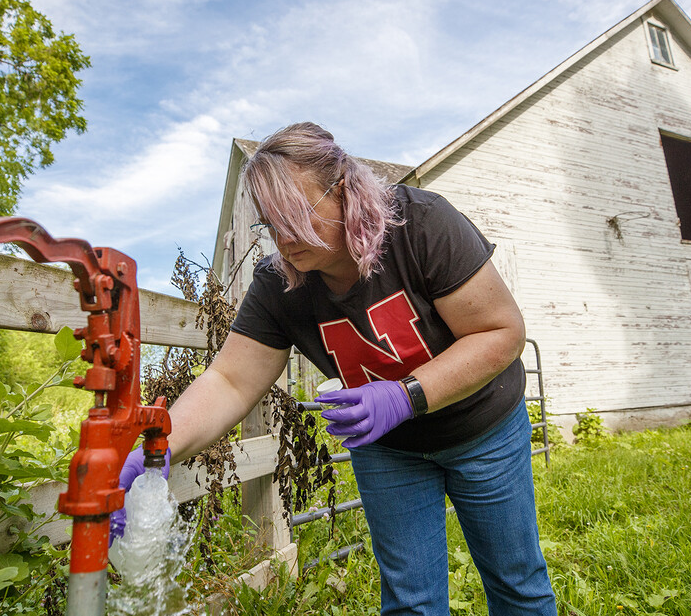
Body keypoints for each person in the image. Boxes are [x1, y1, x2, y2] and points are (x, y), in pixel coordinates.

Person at [115, 122, 557, 615]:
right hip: (390, 449)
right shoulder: (279, 284)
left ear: (344, 189)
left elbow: (500, 333)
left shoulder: (422, 225)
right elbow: (230, 380)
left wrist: (403, 396)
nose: (283, 237)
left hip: (482, 428)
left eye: (295, 214)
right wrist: (160, 449)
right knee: (411, 602)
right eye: (270, 222)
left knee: (517, 584)